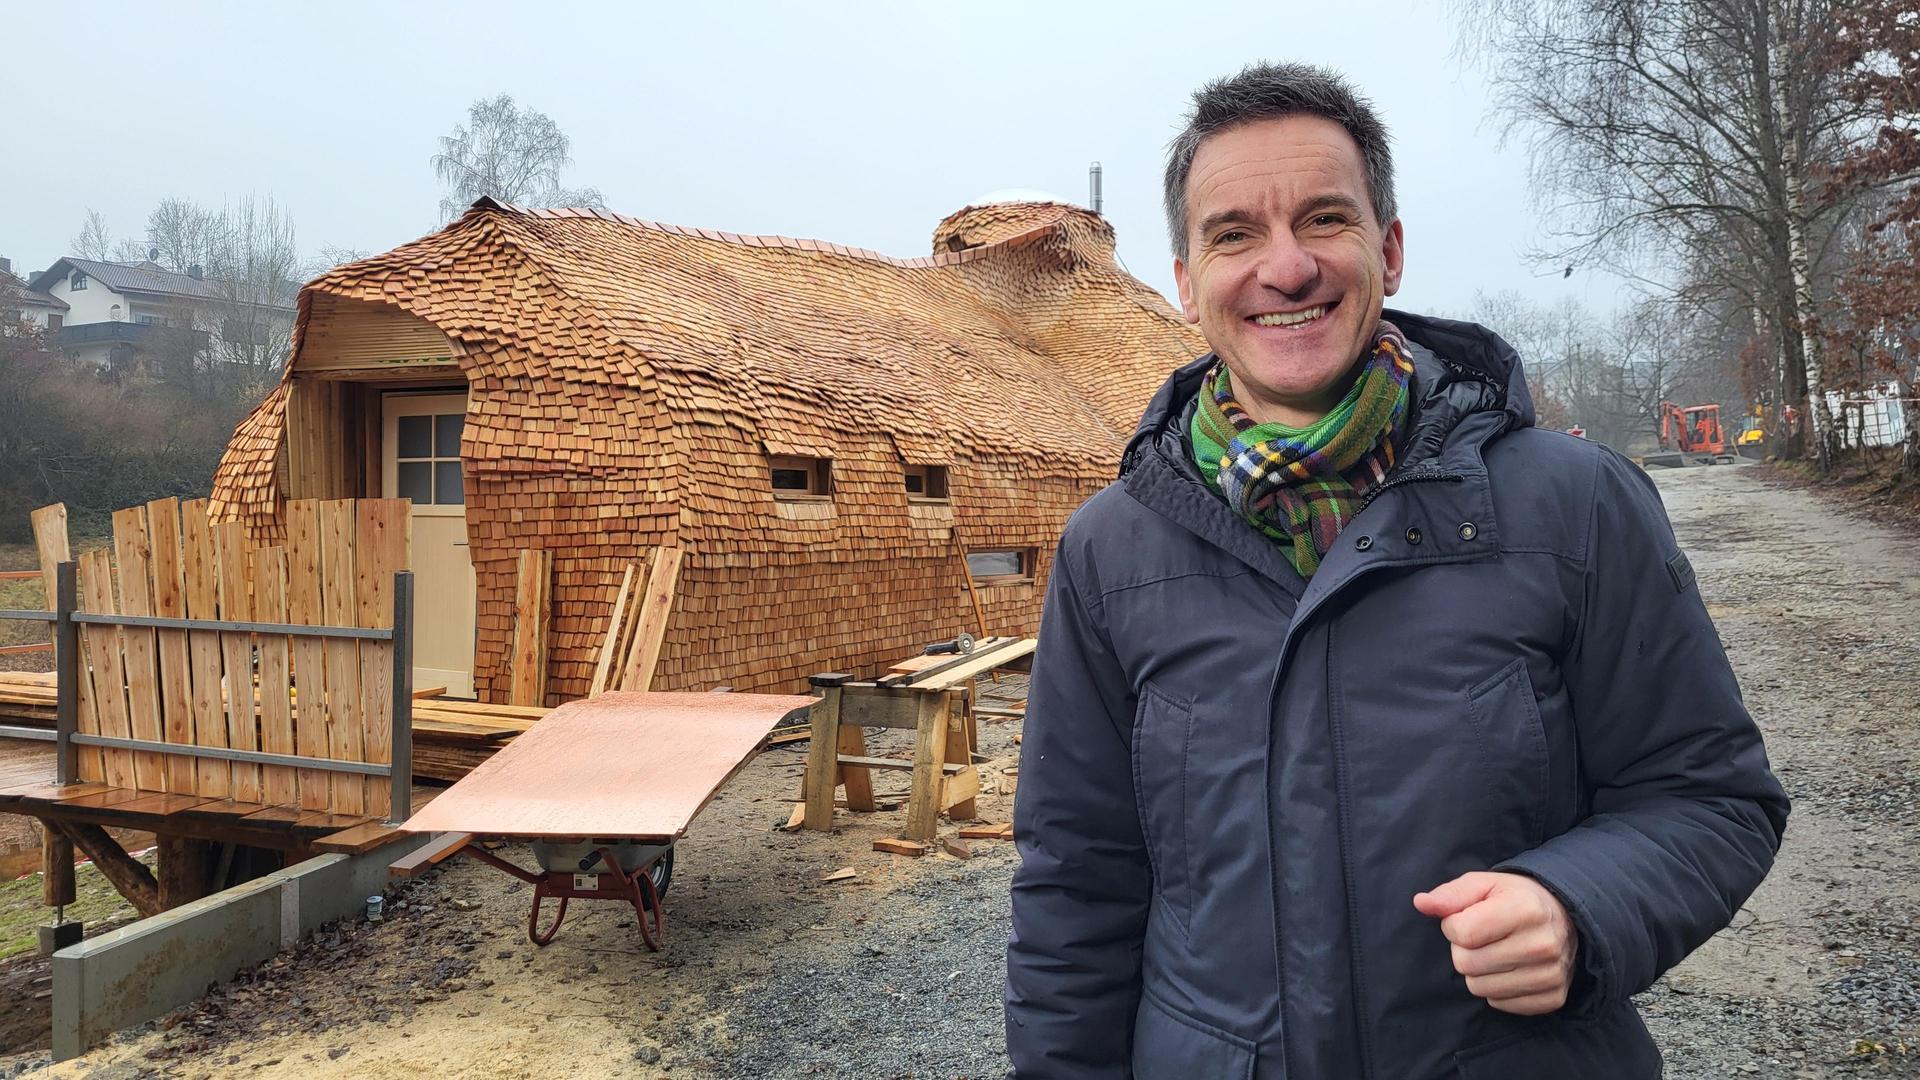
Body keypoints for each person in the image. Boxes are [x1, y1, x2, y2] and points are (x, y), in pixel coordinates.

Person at [1004, 62, 1787, 1079]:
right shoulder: (1111, 549)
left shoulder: (1576, 504)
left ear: (1391, 249)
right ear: (1188, 282)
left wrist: (1580, 903)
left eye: (1324, 220)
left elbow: (1712, 798)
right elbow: (1077, 885)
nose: (1285, 270)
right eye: (1235, 233)